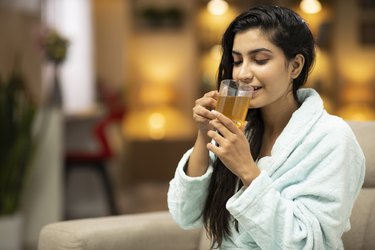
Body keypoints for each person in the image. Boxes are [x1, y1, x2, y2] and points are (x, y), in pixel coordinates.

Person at [167, 5, 365, 250]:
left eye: (260, 60)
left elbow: (311, 244)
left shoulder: (332, 138)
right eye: (237, 61)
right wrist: (203, 134)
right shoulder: (240, 129)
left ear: (295, 66)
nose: (243, 74)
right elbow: (186, 214)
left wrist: (248, 170)